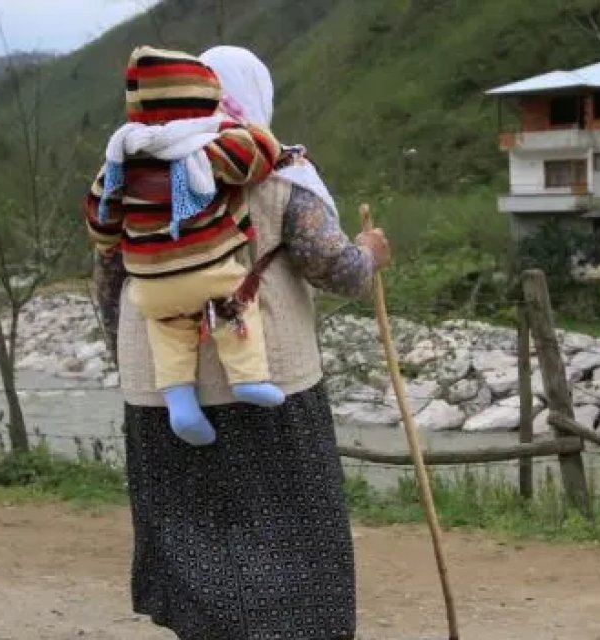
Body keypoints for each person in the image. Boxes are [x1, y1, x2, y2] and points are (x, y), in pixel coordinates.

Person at [91, 45, 391, 640]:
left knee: (192, 537)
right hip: (268, 389)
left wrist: (133, 359)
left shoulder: (131, 178)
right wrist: (373, 252)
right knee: (288, 541)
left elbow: (106, 281)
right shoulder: (277, 175)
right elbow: (341, 272)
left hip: (161, 393)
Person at [85, 46, 287, 447]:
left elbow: (100, 220)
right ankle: (248, 379)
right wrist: (252, 131)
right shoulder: (203, 150)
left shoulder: (119, 160)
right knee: (235, 306)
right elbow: (259, 155)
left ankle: (180, 402)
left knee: (166, 327)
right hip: (209, 272)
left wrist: (112, 241)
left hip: (151, 281)